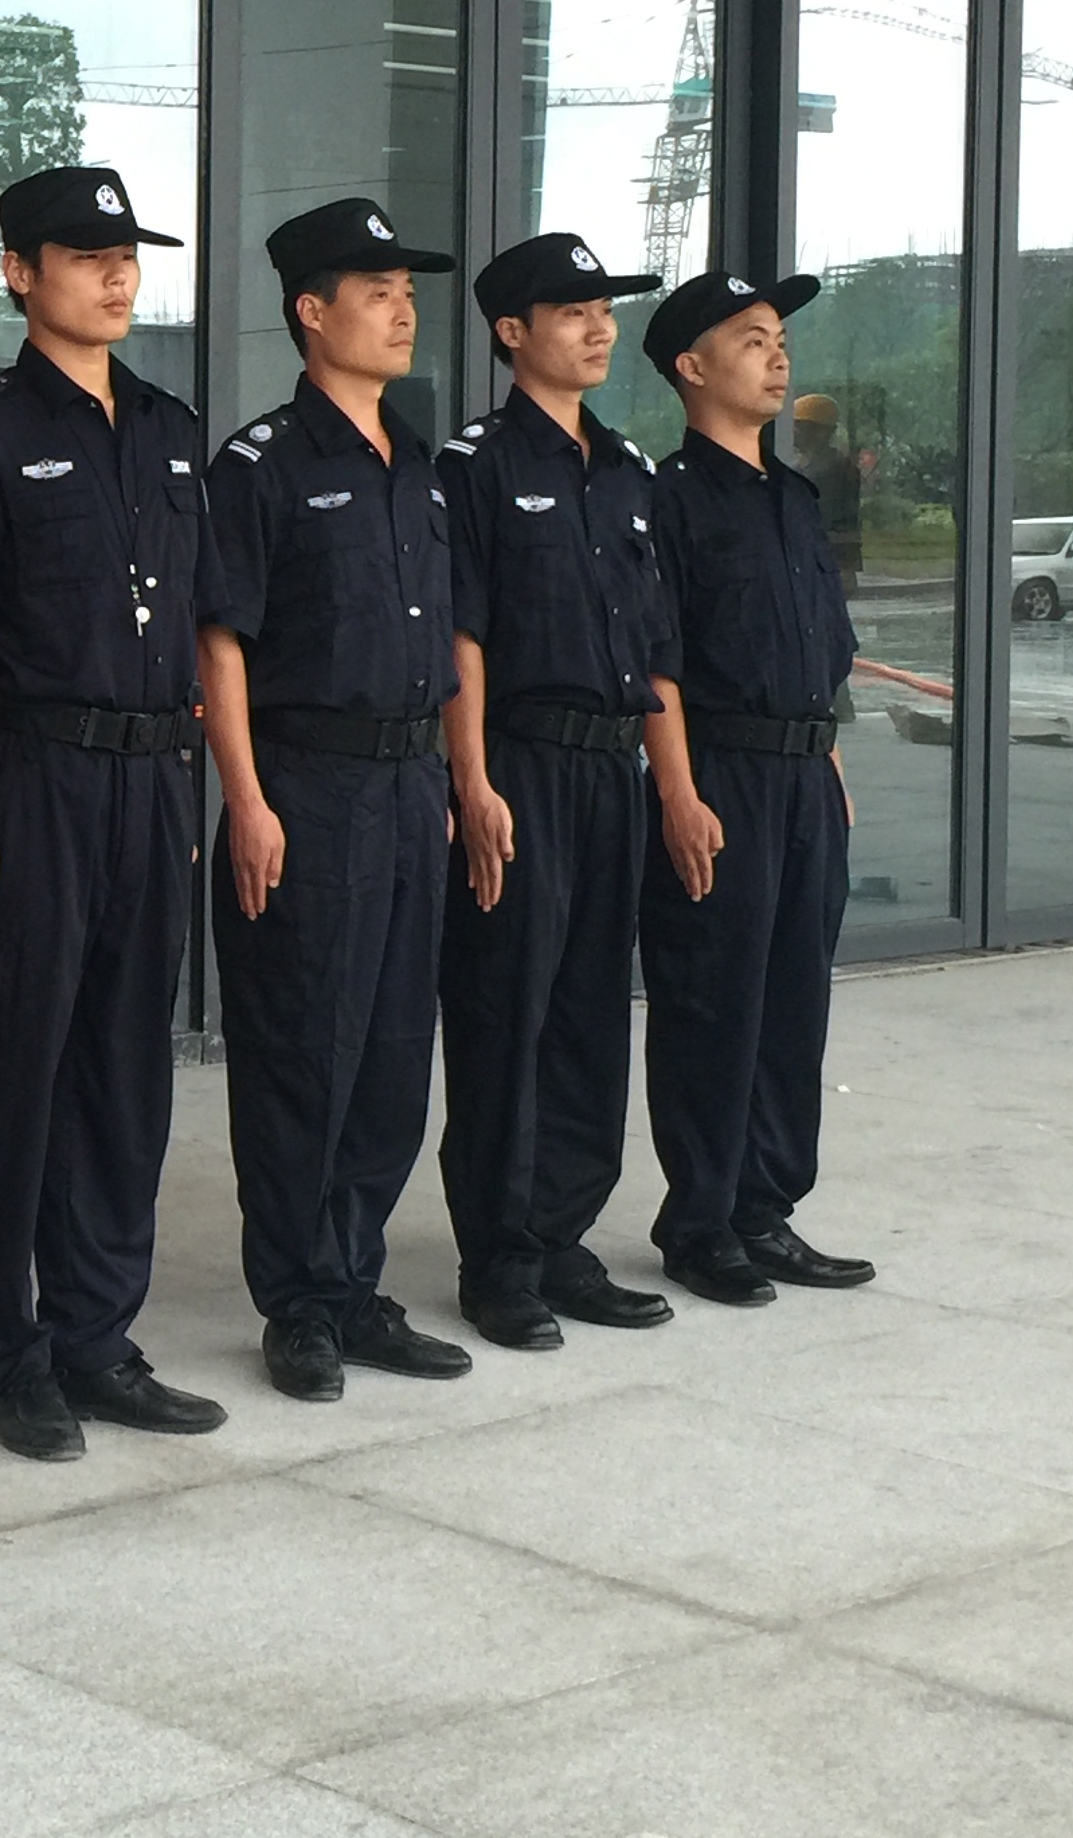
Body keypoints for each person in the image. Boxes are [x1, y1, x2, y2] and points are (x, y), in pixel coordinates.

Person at [0, 166, 227, 1460]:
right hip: (37, 778)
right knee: (18, 1068)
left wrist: (203, 788)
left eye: (128, 256)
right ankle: (12, 1355)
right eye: (88, 255)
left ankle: (99, 1338)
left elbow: (202, 622)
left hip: (153, 782)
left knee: (124, 1069)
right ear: (20, 272)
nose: (116, 276)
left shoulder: (168, 426)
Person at [200, 198, 474, 1403]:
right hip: (307, 785)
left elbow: (445, 643)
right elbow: (222, 642)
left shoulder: (418, 467)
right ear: (312, 312)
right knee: (303, 1051)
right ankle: (300, 1301)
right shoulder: (262, 466)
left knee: (394, 1053)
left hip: (410, 786)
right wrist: (247, 798)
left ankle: (356, 1283)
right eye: (377, 293)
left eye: (408, 293)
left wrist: (454, 781)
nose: (403, 311)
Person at [435, 234, 678, 1353]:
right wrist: (473, 779)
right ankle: (499, 1258)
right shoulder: (476, 465)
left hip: (610, 769)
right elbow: (464, 636)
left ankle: (563, 1234)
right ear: (511, 331)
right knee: (507, 1010)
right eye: (573, 311)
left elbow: (657, 644)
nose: (598, 328)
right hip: (522, 764)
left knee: (588, 1013)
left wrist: (670, 786)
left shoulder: (627, 470)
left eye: (605, 311)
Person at [635, 271, 874, 1306]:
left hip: (804, 776)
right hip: (721, 771)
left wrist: (831, 767)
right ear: (692, 368)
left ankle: (765, 1209)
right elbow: (659, 663)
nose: (777, 356)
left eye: (779, 338)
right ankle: (700, 1223)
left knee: (792, 1001)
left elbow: (821, 652)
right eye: (751, 339)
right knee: (712, 1000)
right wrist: (678, 794)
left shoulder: (796, 499)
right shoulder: (667, 501)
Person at [786, 393, 864, 598]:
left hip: (828, 560)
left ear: (820, 432)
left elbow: (839, 520)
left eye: (799, 426)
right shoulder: (801, 467)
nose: (793, 431)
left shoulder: (836, 468)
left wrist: (846, 566)